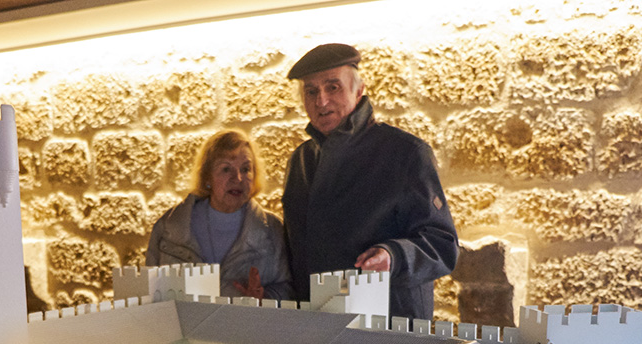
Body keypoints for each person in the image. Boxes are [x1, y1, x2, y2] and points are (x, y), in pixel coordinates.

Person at [281, 43, 459, 320]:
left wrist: (393, 256)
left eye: (333, 87)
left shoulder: (405, 153)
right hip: (319, 322)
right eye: (311, 91)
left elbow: (442, 245)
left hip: (390, 323)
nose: (321, 101)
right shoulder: (301, 161)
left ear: (359, 90)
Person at [146, 129, 291, 300]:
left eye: (246, 169)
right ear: (207, 177)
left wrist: (265, 297)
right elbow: (149, 292)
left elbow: (288, 289)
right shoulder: (170, 227)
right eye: (226, 169)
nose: (238, 178)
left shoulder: (271, 230)